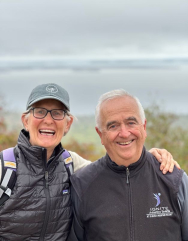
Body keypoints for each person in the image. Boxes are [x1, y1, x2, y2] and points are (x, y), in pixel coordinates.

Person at [0, 83, 179, 241]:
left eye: (57, 113)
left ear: (68, 124)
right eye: (40, 112)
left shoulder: (71, 164)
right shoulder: (4, 168)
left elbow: (114, 169)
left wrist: (150, 157)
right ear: (26, 120)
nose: (48, 120)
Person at [68, 89, 188, 241]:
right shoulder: (82, 185)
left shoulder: (174, 180)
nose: (124, 133)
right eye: (113, 126)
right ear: (100, 135)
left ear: (143, 128)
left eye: (131, 123)